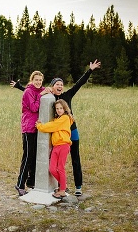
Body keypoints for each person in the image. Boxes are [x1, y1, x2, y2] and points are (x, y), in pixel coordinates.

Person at [12, 59, 100, 196]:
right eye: (57, 84)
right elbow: (33, 93)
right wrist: (20, 87)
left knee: (75, 158)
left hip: (71, 131)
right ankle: (59, 186)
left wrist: (90, 70)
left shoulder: (67, 95)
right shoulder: (50, 97)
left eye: (61, 84)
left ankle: (78, 187)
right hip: (56, 134)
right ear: (52, 87)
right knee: (55, 162)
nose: (59, 86)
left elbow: (79, 84)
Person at [15, 70, 49, 196]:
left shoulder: (40, 90)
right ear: (32, 80)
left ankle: (31, 182)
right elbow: (34, 107)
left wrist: (48, 90)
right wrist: (41, 95)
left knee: (35, 156)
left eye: (40, 80)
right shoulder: (28, 91)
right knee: (28, 156)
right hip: (28, 127)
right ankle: (20, 185)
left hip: (37, 127)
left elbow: (45, 91)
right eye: (36, 80)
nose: (38, 82)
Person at [36, 99, 74, 199]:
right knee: (52, 169)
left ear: (65, 109)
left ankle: (62, 191)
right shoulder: (57, 119)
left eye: (61, 108)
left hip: (64, 145)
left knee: (60, 168)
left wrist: (40, 126)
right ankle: (63, 186)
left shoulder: (65, 118)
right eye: (57, 108)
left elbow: (51, 126)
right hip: (56, 146)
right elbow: (53, 123)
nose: (59, 110)